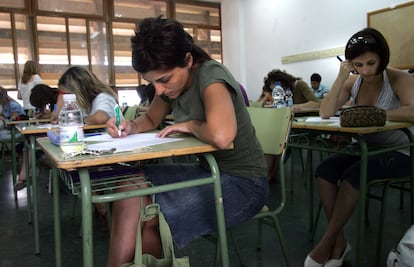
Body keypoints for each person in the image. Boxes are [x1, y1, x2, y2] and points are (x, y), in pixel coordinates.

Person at [105, 16, 268, 266]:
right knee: (129, 185)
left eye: (164, 80)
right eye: (151, 82)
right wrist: (130, 127)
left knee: (151, 220)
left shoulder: (211, 75)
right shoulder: (172, 85)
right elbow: (150, 119)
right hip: (210, 172)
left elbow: (222, 136)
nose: (158, 90)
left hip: (244, 184)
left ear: (188, 60)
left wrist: (191, 125)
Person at [305, 28, 414, 267]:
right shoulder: (354, 81)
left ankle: (327, 242)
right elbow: (326, 112)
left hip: (400, 152)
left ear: (382, 58)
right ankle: (340, 241)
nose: (366, 70)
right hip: (365, 147)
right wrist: (341, 77)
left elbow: (413, 110)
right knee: (324, 171)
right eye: (358, 64)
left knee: (354, 176)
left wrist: (374, 115)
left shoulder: (398, 78)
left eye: (371, 63)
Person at [58, 66, 122, 231]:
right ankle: (100, 205)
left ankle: (103, 207)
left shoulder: (102, 97)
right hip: (101, 149)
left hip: (117, 149)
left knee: (75, 167)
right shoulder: (87, 103)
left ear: (78, 89)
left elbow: (101, 117)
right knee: (70, 164)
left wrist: (76, 118)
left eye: (68, 93)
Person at [0, 87, 28, 190]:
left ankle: (23, 176)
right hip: (12, 130)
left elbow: (13, 121)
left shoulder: (12, 105)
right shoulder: (5, 106)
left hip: (19, 131)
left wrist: (3, 118)